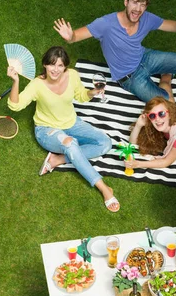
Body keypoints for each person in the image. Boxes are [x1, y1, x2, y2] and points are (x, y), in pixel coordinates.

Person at [7, 46, 119, 212]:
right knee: (70, 144)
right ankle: (103, 187)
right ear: (45, 64)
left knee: (105, 143)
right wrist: (15, 81)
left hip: (72, 123)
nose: (56, 70)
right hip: (47, 130)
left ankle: (57, 160)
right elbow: (14, 105)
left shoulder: (72, 75)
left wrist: (93, 92)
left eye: (60, 65)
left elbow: (80, 95)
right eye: (52, 65)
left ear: (65, 66)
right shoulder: (37, 84)